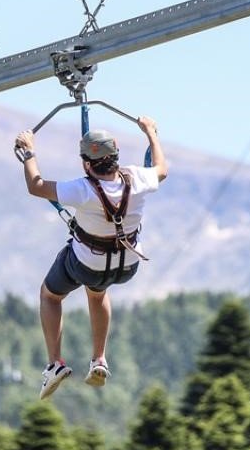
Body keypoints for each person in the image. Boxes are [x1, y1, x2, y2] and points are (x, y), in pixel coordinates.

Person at [14, 116, 168, 399]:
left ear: (87, 163)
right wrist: (151, 134)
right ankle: (99, 359)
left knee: (50, 295)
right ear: (116, 156)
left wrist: (28, 153)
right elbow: (161, 169)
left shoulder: (82, 190)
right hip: (128, 264)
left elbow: (36, 186)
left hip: (88, 263)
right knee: (97, 293)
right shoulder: (137, 179)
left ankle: (55, 363)